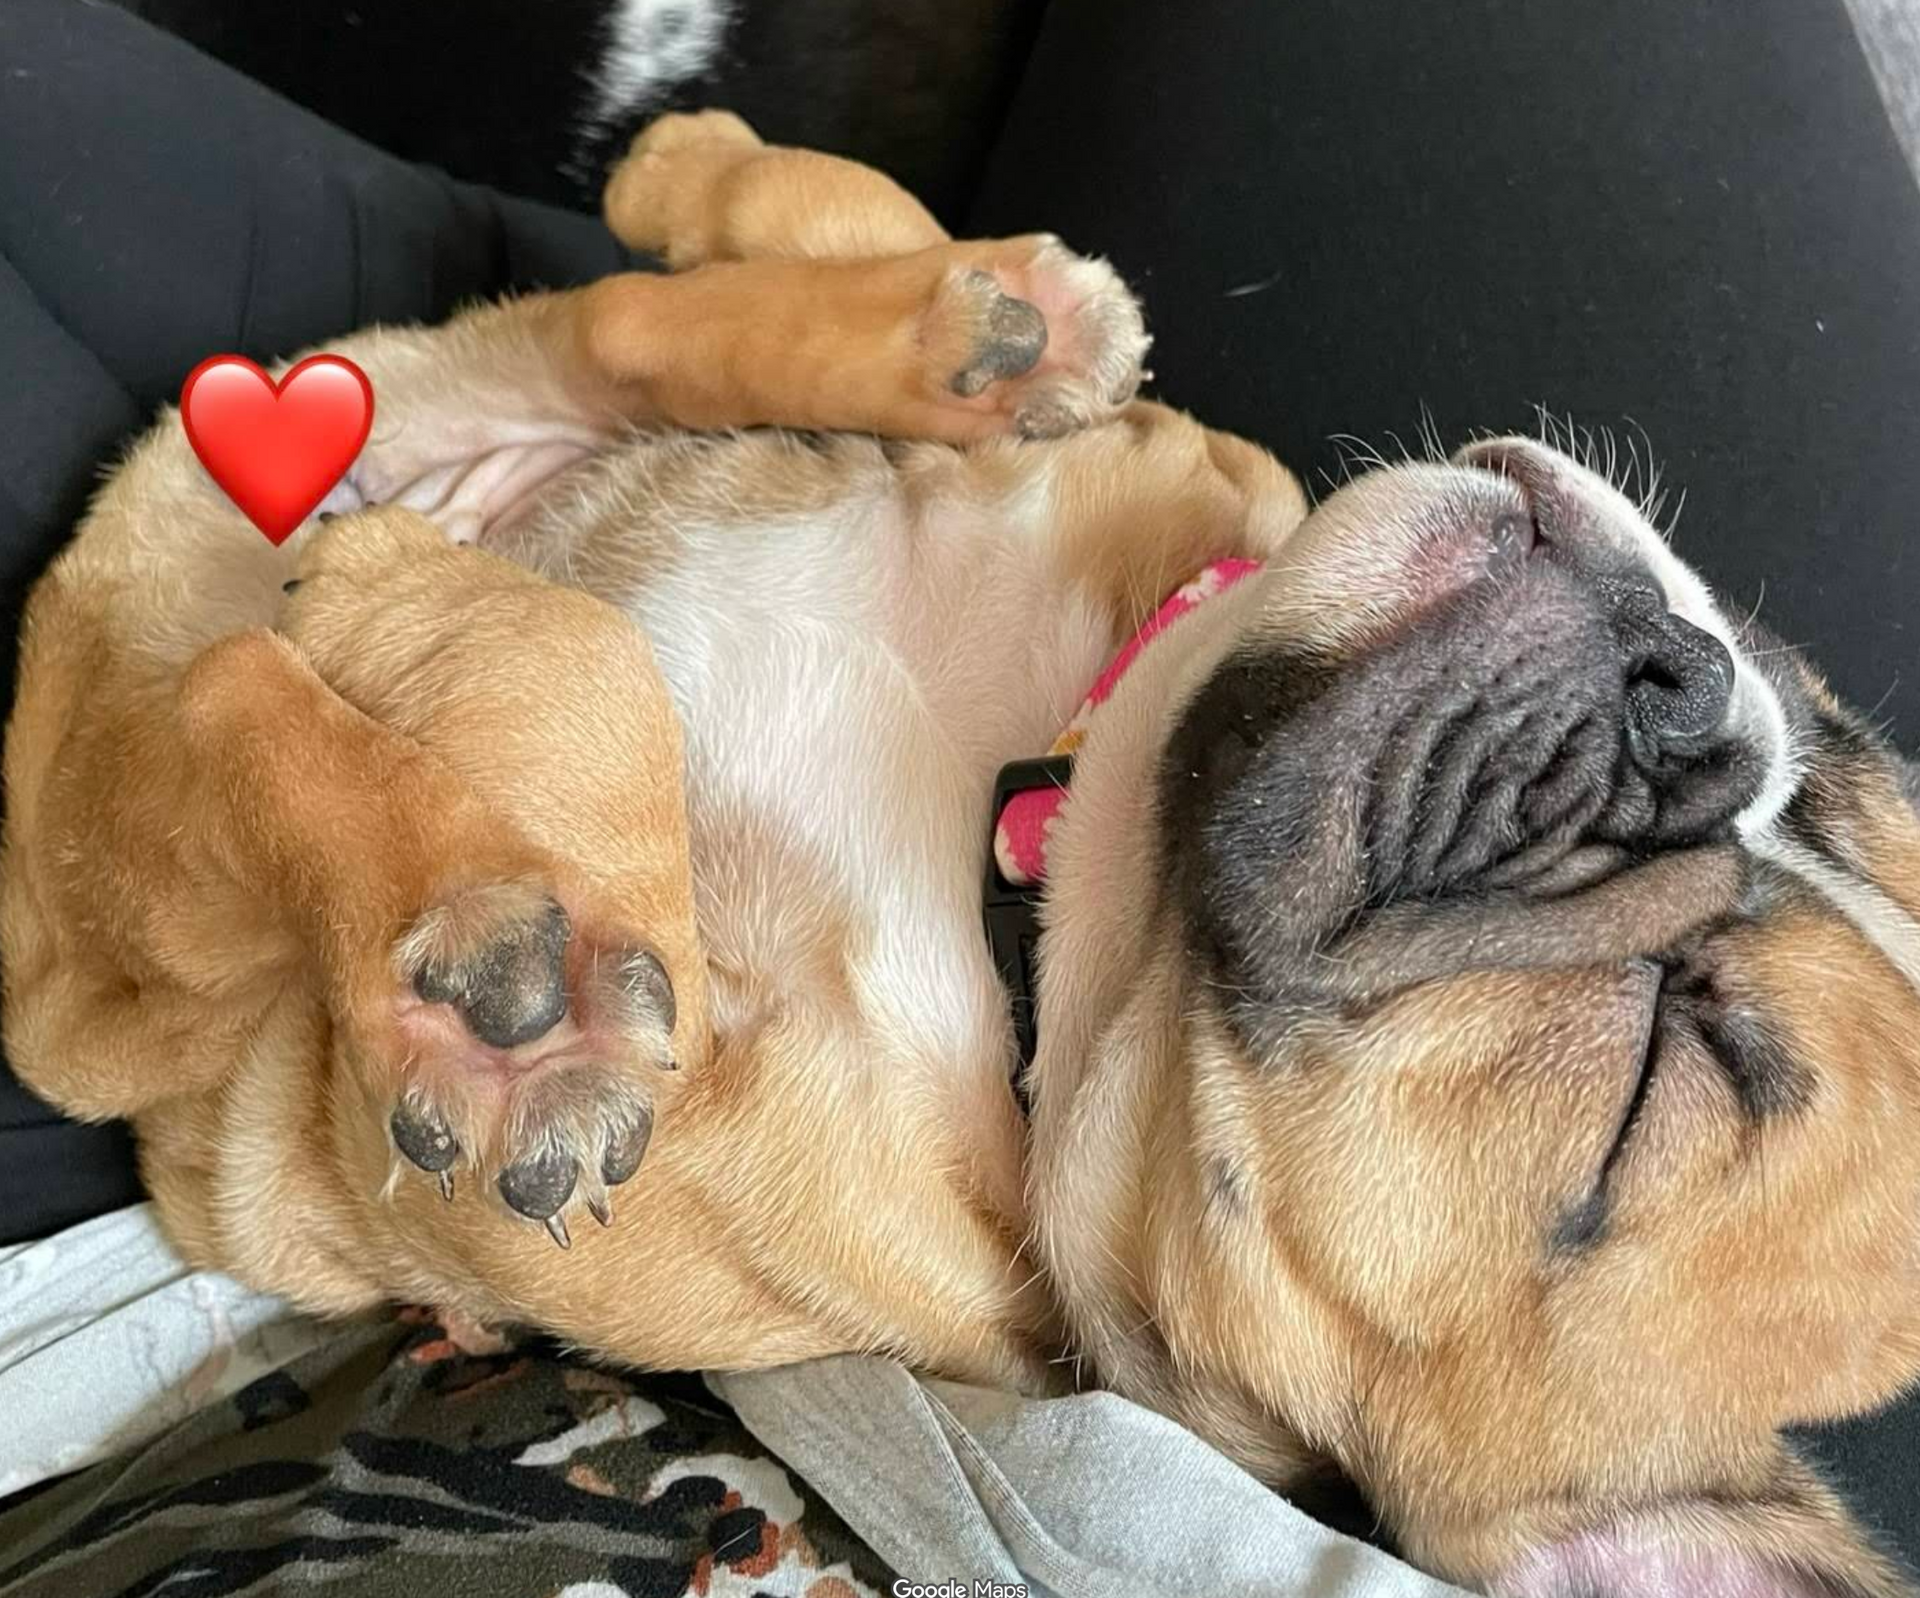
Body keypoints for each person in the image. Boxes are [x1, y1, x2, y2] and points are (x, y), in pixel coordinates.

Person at [1, 0, 1914, 1573]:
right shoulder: (1227, 557)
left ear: (1553, 1515)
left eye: (1665, 1050)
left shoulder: (809, 1189)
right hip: (538, 388)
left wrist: (473, 714)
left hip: (161, 697)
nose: (1687, 703)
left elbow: (230, 967)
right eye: (1816, 770)